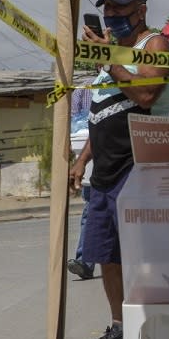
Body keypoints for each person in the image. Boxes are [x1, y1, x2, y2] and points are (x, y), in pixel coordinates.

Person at [69, 0, 169, 339]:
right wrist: (81, 161)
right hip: (106, 173)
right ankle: (118, 327)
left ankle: (141, 329)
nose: (110, 15)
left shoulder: (155, 45)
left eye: (119, 7)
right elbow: (103, 113)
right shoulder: (111, 56)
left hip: (140, 168)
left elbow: (146, 95)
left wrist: (111, 61)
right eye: (107, 8)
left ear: (141, 9)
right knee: (107, 256)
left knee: (136, 258)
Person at [66, 84, 95, 280]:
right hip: (91, 158)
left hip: (118, 158)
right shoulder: (81, 91)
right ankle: (84, 261)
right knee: (91, 210)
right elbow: (73, 123)